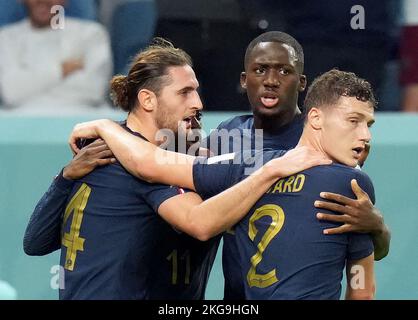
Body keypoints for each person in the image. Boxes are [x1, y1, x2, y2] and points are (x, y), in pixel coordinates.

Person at [68, 31, 391, 300]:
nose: (271, 81)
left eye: (284, 71)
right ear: (244, 78)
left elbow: (361, 265)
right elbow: (159, 170)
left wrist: (378, 228)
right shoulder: (225, 141)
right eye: (261, 70)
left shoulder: (337, 157)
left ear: (301, 83)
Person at [24, 38, 329, 299]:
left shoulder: (100, 152)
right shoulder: (137, 163)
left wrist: (64, 178)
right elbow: (199, 222)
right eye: (184, 92)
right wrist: (271, 168)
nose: (198, 102)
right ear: (148, 100)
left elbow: (34, 241)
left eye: (196, 90)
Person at [0, 0, 112, 114]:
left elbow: (93, 91)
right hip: (20, 119)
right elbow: (11, 93)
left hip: (83, 116)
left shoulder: (92, 33)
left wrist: (28, 84)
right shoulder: (6, 37)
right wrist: (62, 70)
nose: (42, 1)